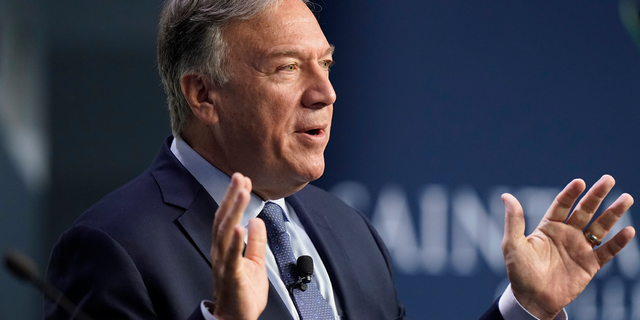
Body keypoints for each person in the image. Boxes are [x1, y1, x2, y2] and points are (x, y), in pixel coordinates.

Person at [45, 0, 636, 319]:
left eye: (325, 64)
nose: (324, 92)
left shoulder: (348, 232)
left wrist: (524, 309)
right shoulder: (112, 247)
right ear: (204, 95)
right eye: (286, 68)